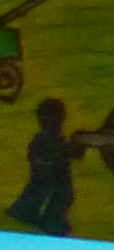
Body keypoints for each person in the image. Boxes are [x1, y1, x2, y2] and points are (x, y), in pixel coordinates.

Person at [6, 99, 85, 234]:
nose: (53, 123)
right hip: (42, 184)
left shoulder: (58, 140)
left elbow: (71, 155)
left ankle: (53, 223)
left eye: (56, 119)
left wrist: (74, 150)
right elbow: (39, 160)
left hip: (59, 185)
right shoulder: (40, 141)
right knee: (35, 200)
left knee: (59, 201)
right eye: (49, 119)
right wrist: (60, 154)